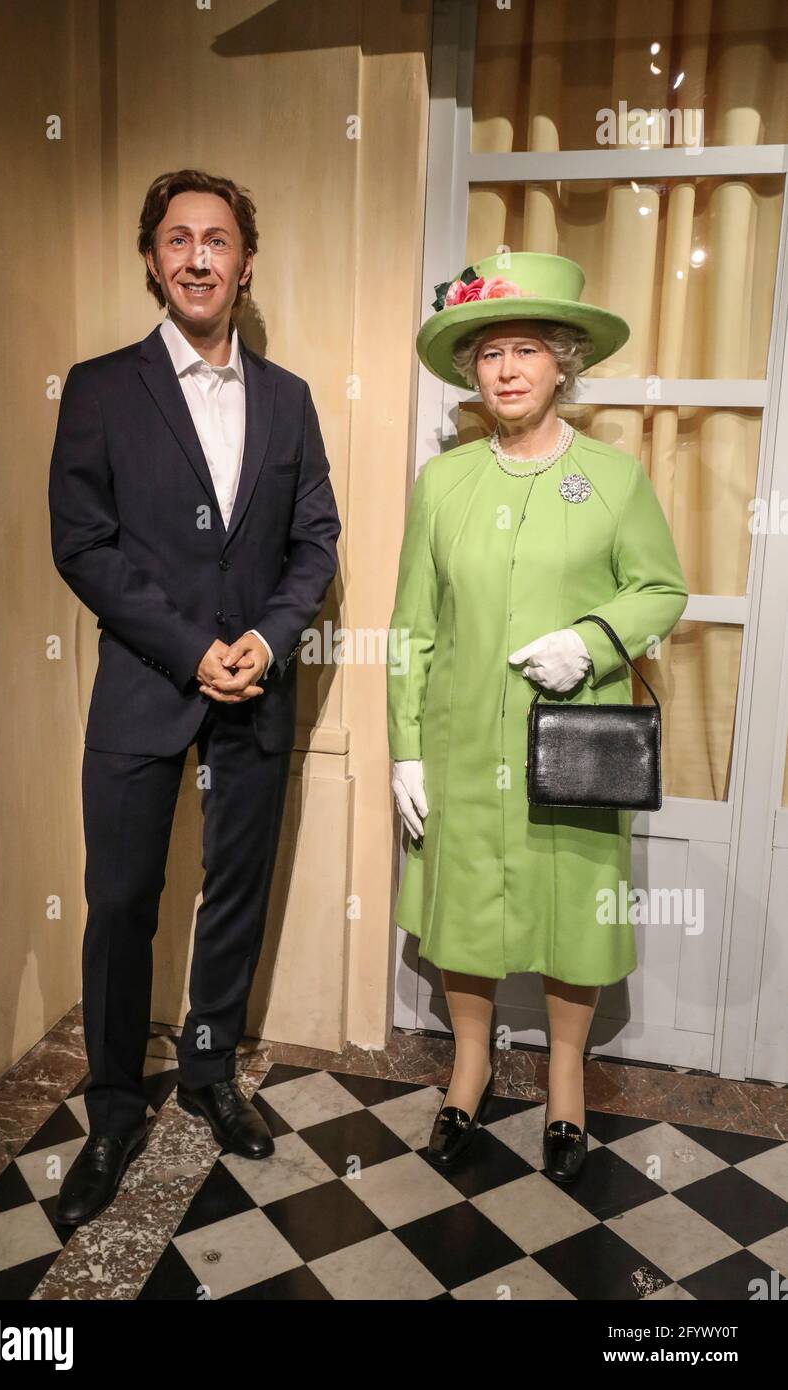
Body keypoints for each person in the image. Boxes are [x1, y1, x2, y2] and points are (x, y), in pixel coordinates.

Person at [48, 169, 340, 1225]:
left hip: (256, 688)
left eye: (217, 239)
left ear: (245, 263)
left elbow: (315, 542)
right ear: (151, 261)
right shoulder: (96, 387)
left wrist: (260, 639)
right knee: (122, 901)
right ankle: (116, 1103)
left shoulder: (292, 399)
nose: (198, 256)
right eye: (177, 239)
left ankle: (210, 1071)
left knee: (235, 892)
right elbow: (81, 544)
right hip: (141, 686)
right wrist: (191, 648)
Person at [387, 251, 688, 1182]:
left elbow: (663, 588)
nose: (507, 369)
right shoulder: (444, 486)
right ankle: (468, 1069)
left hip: (573, 745)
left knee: (572, 911)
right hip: (462, 744)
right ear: (472, 373)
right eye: (489, 353)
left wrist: (593, 640)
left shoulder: (612, 477)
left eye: (525, 350)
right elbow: (411, 626)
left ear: (563, 362)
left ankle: (566, 1081)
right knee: (465, 908)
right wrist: (406, 751)